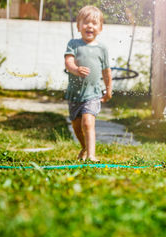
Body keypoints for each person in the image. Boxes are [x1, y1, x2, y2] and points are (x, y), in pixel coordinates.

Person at [64, 5, 112, 161]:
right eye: (85, 22)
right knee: (77, 128)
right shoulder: (74, 44)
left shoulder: (102, 48)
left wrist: (109, 90)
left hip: (93, 94)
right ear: (78, 26)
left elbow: (106, 71)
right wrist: (76, 69)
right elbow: (68, 62)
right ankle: (84, 147)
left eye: (94, 23)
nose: (89, 26)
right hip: (74, 94)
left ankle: (91, 155)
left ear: (100, 28)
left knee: (87, 123)